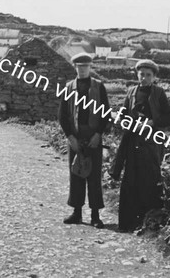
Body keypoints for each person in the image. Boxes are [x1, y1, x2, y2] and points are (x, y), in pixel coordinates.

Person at [109, 59, 170, 232]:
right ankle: (127, 223)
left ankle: (149, 222)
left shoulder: (158, 93)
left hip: (151, 142)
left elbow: (169, 118)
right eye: (141, 74)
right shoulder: (131, 92)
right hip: (132, 142)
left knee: (150, 179)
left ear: (154, 77)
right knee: (130, 180)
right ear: (137, 74)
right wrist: (122, 120)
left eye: (148, 75)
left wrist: (151, 122)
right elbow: (124, 113)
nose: (144, 78)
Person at [58, 52, 110, 228]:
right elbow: (63, 116)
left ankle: (95, 215)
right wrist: (70, 137)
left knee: (94, 176)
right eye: (79, 67)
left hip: (93, 136)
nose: (82, 70)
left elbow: (105, 113)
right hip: (75, 136)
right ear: (75, 67)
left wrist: (98, 135)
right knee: (76, 173)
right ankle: (77, 213)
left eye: (85, 66)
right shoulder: (69, 87)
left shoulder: (98, 87)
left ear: (90, 67)